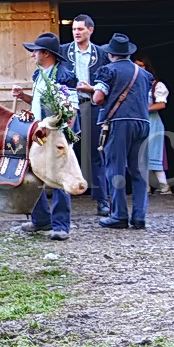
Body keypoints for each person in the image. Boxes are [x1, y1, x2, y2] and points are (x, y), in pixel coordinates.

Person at [11, 32, 79, 241]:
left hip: (57, 134)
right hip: (39, 132)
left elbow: (72, 108)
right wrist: (23, 97)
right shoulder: (40, 74)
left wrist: (64, 136)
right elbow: (39, 103)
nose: (32, 55)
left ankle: (61, 225)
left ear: (46, 54)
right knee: (35, 173)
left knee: (59, 177)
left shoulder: (64, 75)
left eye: (35, 51)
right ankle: (41, 220)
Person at [93, 33, 154, 229]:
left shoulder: (107, 71)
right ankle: (139, 216)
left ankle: (119, 215)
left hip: (119, 123)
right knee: (139, 171)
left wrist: (92, 92)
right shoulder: (144, 74)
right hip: (143, 123)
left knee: (115, 169)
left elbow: (99, 98)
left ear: (111, 54)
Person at [62, 14, 111, 216]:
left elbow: (107, 79)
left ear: (90, 30)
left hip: (92, 105)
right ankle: (63, 202)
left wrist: (93, 88)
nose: (76, 32)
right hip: (69, 106)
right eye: (74, 29)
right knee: (64, 151)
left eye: (80, 29)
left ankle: (102, 200)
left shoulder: (101, 54)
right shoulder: (63, 51)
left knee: (96, 153)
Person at [134, 55, 172, 195]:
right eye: (136, 66)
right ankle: (146, 187)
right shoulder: (131, 85)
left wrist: (144, 109)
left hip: (152, 122)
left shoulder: (157, 85)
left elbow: (161, 104)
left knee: (154, 152)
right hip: (137, 121)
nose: (138, 69)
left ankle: (164, 185)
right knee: (139, 154)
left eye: (141, 66)